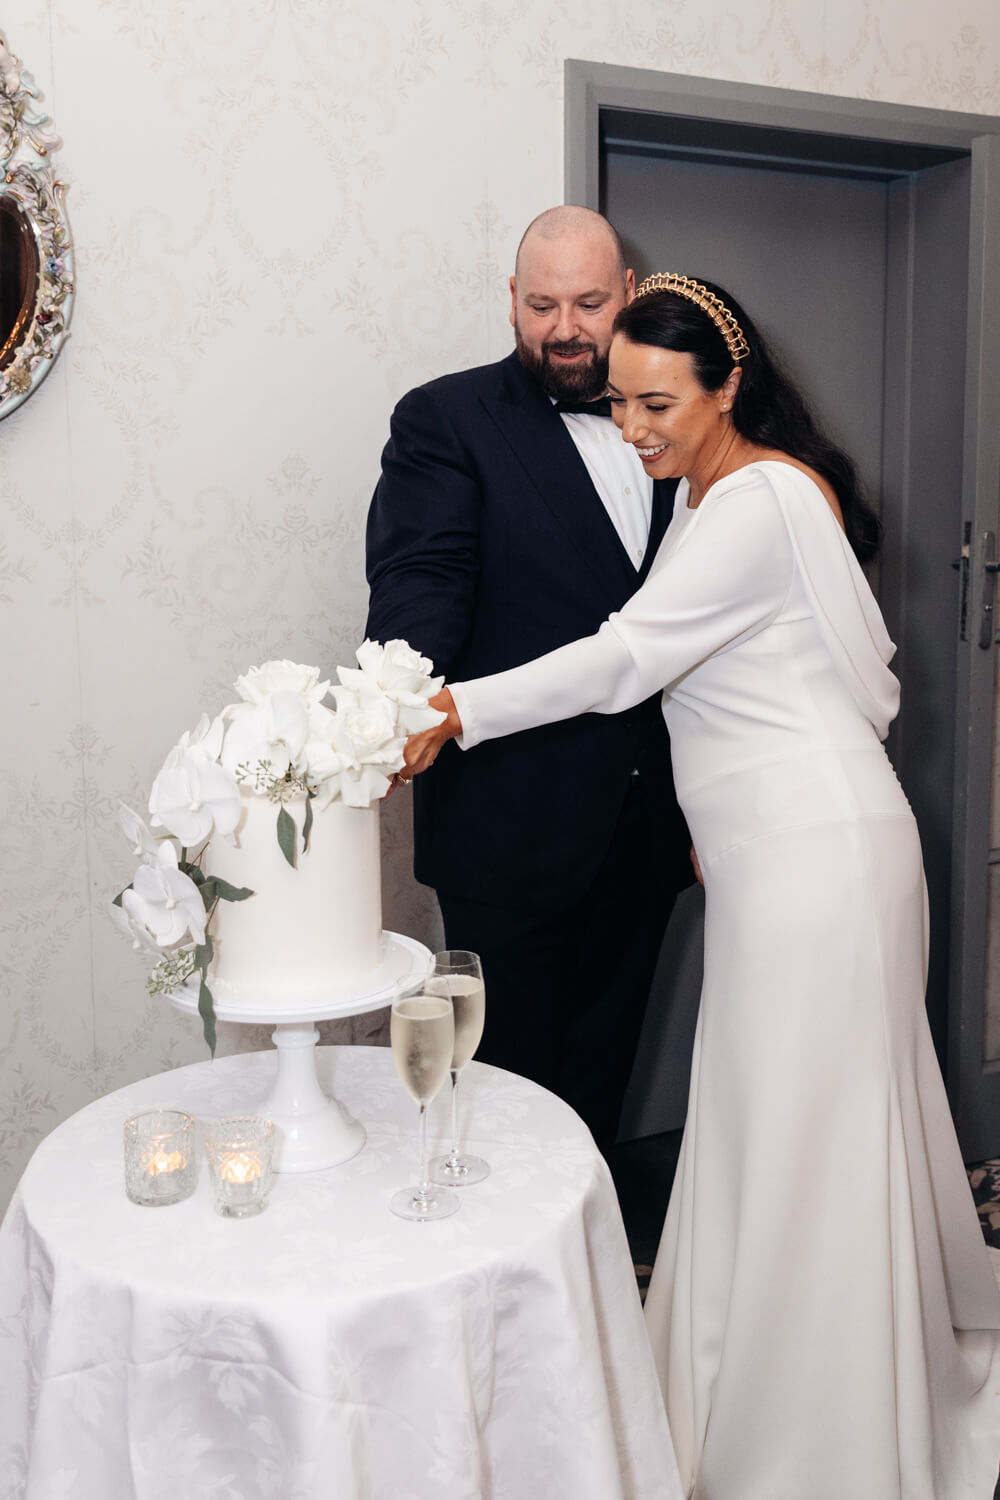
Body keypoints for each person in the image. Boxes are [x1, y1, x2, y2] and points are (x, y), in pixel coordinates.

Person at [399, 273, 1000, 1498]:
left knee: (802, 1135)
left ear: (728, 388)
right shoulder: (715, 492)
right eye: (619, 403)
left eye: (656, 404)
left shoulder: (758, 500)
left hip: (813, 856)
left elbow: (626, 660)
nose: (631, 428)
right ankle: (759, 1387)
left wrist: (457, 709)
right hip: (781, 849)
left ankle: (810, 1437)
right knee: (772, 1123)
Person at [365, 207, 691, 1149]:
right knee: (504, 1111)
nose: (565, 329)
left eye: (588, 304)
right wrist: (400, 699)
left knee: (599, 1093)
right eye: (542, 306)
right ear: (512, 301)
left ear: (628, 294)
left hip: (645, 831)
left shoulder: (683, 419)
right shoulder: (446, 419)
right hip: (506, 833)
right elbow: (422, 578)